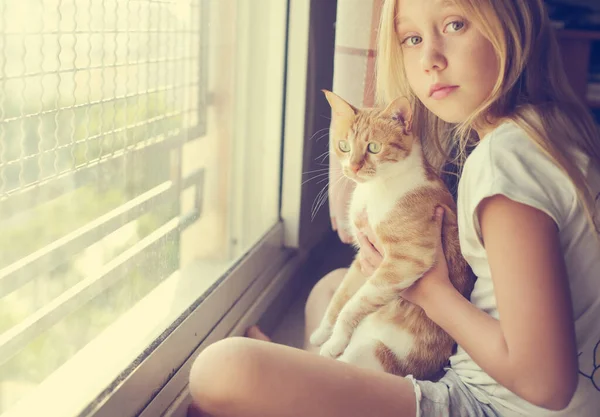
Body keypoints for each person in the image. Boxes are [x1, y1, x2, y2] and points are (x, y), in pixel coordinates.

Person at [187, 0, 600, 415]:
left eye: (455, 25)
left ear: (515, 25)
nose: (430, 60)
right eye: (412, 39)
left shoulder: (503, 165)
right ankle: (317, 378)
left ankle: (310, 387)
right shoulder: (556, 126)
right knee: (329, 289)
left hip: (490, 403)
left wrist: (431, 292)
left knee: (221, 369)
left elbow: (545, 383)